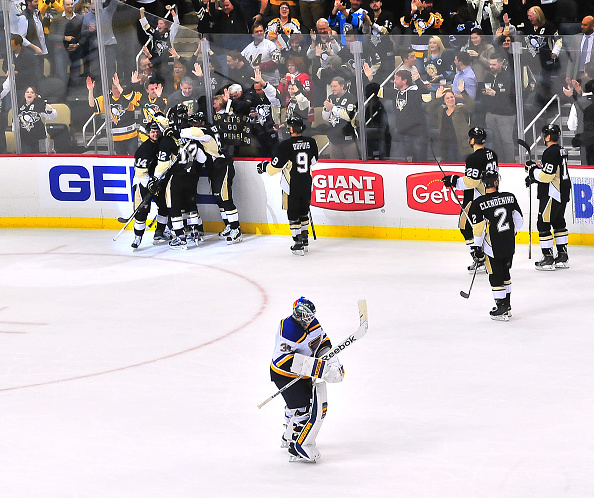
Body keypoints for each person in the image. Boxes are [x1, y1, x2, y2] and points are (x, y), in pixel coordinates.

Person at [269, 297, 344, 462]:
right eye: (301, 315)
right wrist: (320, 369)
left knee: (296, 406)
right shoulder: (288, 330)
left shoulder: (313, 323)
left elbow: (323, 342)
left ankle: (287, 435)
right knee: (302, 407)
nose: (304, 320)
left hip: (302, 373)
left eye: (308, 316)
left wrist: (332, 361)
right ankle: (295, 446)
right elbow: (284, 361)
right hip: (283, 374)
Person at [256, 116, 318, 255]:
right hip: (307, 183)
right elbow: (313, 162)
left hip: (292, 185)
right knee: (304, 212)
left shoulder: (285, 145)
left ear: (290, 129)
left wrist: (264, 167)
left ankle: (297, 243)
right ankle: (305, 240)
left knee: (293, 213)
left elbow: (275, 167)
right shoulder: (311, 142)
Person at [441, 127, 499, 273]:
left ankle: (479, 258)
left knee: (465, 226)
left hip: (476, 198)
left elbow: (472, 182)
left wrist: (454, 180)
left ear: (472, 140)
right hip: (491, 195)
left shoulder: (473, 158)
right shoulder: (492, 154)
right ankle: (487, 258)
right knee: (484, 228)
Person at [469, 169, 523, 321]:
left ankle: (501, 307)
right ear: (496, 182)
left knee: (495, 276)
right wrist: (512, 233)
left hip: (493, 247)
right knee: (505, 273)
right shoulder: (510, 197)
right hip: (509, 244)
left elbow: (478, 229)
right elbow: (518, 219)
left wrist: (476, 248)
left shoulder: (478, 203)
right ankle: (507, 305)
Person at [182, 111, 243, 244]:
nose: (194, 125)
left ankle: (236, 229)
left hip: (222, 166)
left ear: (202, 122)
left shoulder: (205, 131)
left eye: (196, 123)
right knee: (218, 197)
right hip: (216, 167)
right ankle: (229, 225)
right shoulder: (209, 129)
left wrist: (175, 131)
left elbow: (192, 133)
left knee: (225, 198)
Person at [154, 103, 205, 249]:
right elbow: (202, 159)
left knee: (174, 207)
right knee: (191, 205)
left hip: (175, 179)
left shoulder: (167, 140)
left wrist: (156, 178)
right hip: (191, 178)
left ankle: (180, 237)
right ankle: (195, 232)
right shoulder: (192, 136)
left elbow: (163, 165)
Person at [525, 124, 572, 270]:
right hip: (563, 191)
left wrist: (532, 171)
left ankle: (548, 258)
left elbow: (547, 177)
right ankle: (562, 257)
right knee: (558, 221)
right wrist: (536, 173)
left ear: (548, 137)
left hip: (553, 193)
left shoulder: (550, 152)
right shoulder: (561, 150)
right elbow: (551, 171)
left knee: (543, 223)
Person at [130, 119, 172, 249]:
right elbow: (141, 173)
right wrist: (150, 183)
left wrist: (156, 181)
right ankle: (138, 237)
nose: (155, 134)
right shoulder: (144, 150)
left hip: (156, 182)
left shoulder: (162, 143)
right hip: (142, 182)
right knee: (142, 211)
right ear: (148, 133)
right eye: (152, 132)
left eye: (157, 131)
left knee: (164, 207)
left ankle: (159, 232)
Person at [87, 73, 141, 156]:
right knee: (120, 160)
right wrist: (90, 91)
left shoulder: (126, 95)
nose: (117, 90)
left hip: (131, 136)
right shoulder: (106, 99)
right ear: (111, 90)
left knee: (133, 158)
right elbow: (92, 105)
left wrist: (118, 85)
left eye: (118, 87)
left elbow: (127, 99)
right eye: (115, 88)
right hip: (116, 137)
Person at [426, 80, 474, 162]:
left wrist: (463, 91)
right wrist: (437, 98)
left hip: (460, 144)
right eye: (447, 98)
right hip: (445, 145)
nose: (450, 99)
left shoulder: (460, 108)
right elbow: (429, 109)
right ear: (444, 100)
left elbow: (471, 104)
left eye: (452, 97)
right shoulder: (441, 110)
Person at [389, 69, 429, 162]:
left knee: (420, 161)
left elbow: (427, 97)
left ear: (404, 81)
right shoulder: (395, 93)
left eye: (397, 79)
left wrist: (418, 80)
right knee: (405, 163)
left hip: (417, 134)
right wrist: (371, 78)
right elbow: (377, 91)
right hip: (402, 133)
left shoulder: (415, 92)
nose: (394, 81)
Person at [482, 53, 516, 163]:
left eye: (494, 64)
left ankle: (510, 163)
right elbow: (482, 91)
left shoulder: (508, 77)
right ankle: (499, 162)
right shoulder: (488, 76)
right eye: (490, 64)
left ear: (501, 64)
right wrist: (485, 92)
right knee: (495, 141)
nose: (491, 66)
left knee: (506, 141)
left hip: (505, 114)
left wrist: (496, 93)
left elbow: (511, 95)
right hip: (491, 113)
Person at [321, 75, 358, 160]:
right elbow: (325, 118)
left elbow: (349, 116)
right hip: (334, 140)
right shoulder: (331, 97)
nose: (333, 89)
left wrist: (333, 108)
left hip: (347, 140)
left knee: (352, 166)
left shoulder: (351, 98)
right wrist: (326, 109)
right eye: (331, 86)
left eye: (335, 86)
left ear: (342, 86)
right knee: (336, 167)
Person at [16, 85, 57, 153]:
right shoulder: (19, 106)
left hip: (40, 139)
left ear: (35, 95)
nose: (29, 93)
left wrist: (50, 110)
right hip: (24, 140)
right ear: (24, 95)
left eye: (32, 92)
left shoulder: (40, 104)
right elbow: (15, 123)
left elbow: (52, 117)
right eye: (27, 92)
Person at [241, 21, 282, 87]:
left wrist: (260, 67)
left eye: (261, 31)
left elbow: (276, 61)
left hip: (271, 82)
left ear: (264, 32)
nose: (259, 33)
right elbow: (240, 60)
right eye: (257, 31)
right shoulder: (248, 49)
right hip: (255, 83)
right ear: (253, 34)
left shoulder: (270, 45)